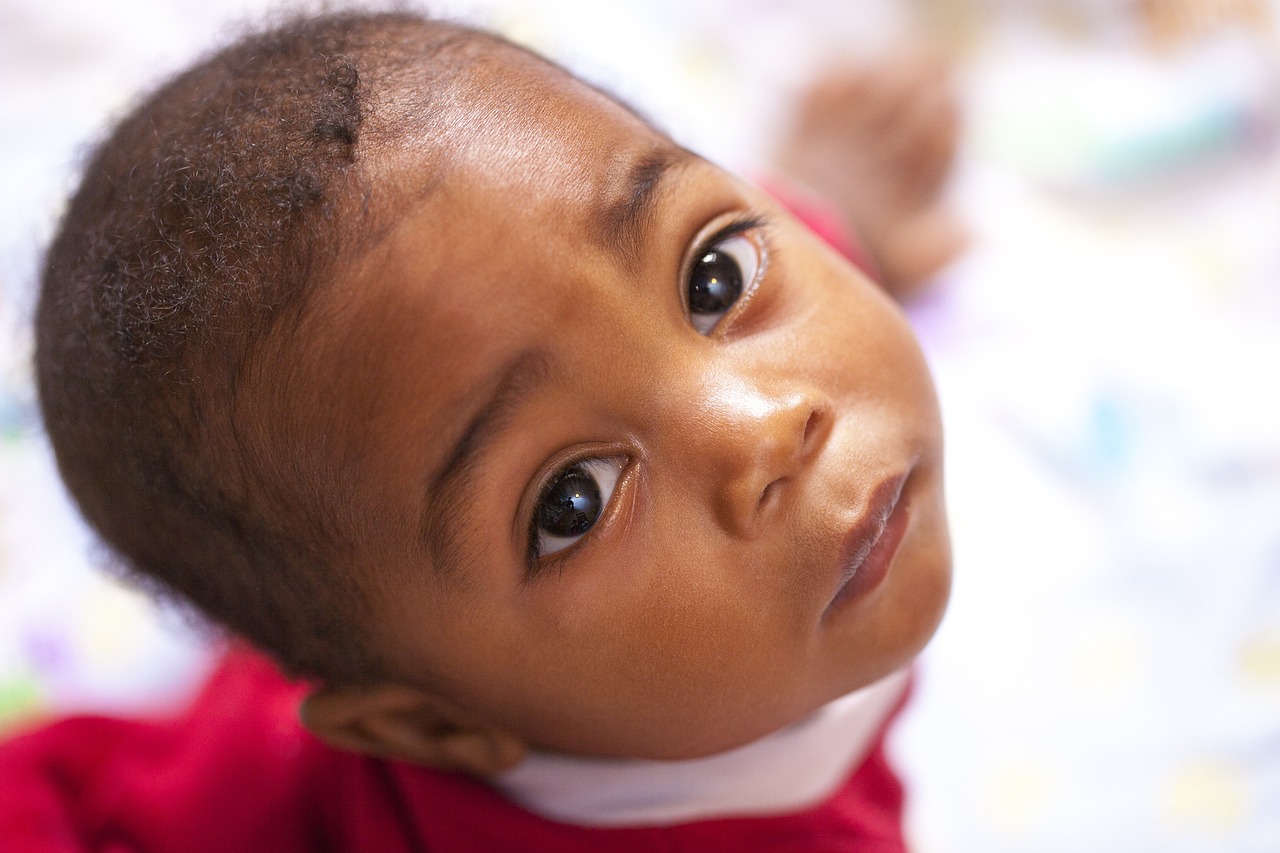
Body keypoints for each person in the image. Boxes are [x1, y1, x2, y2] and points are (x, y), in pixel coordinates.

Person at [1, 10, 958, 851]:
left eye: (713, 279)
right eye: (572, 502)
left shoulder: (685, 303)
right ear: (439, 730)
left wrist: (840, 208)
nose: (768, 427)